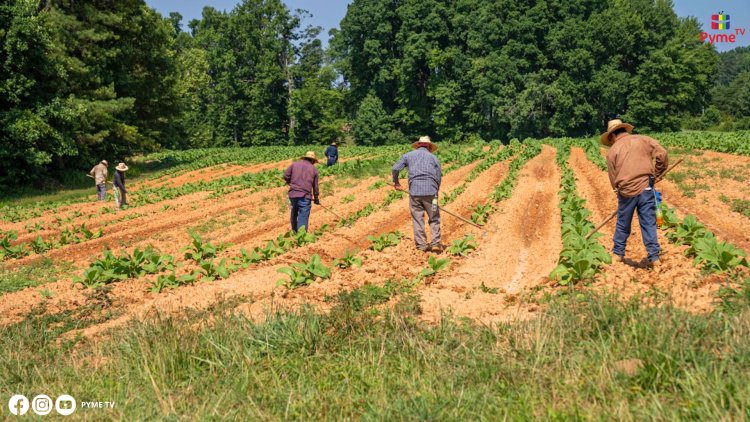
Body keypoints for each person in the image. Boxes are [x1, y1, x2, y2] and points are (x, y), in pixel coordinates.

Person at [602, 118, 668, 269]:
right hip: (646, 188)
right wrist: (656, 174)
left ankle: (618, 254)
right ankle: (654, 257)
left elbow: (613, 176)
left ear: (612, 136)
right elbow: (662, 154)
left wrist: (617, 190)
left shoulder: (613, 150)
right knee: (648, 223)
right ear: (624, 130)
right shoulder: (644, 140)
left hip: (626, 191)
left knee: (623, 223)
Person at [392, 136, 443, 252]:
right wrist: (436, 191)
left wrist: (396, 182)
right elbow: (439, 176)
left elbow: (395, 168)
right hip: (432, 194)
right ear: (429, 147)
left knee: (418, 219)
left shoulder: (408, 156)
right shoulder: (434, 158)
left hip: (414, 193)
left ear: (418, 145)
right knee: (434, 217)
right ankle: (435, 243)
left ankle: (421, 246)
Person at [283, 151, 320, 232]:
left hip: (293, 194)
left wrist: (290, 182)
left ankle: (294, 231)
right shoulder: (314, 169)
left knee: (294, 212)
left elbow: (285, 176)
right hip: (305, 196)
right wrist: (316, 198)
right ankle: (301, 236)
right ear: (313, 160)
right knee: (303, 215)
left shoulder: (294, 164)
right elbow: (315, 187)